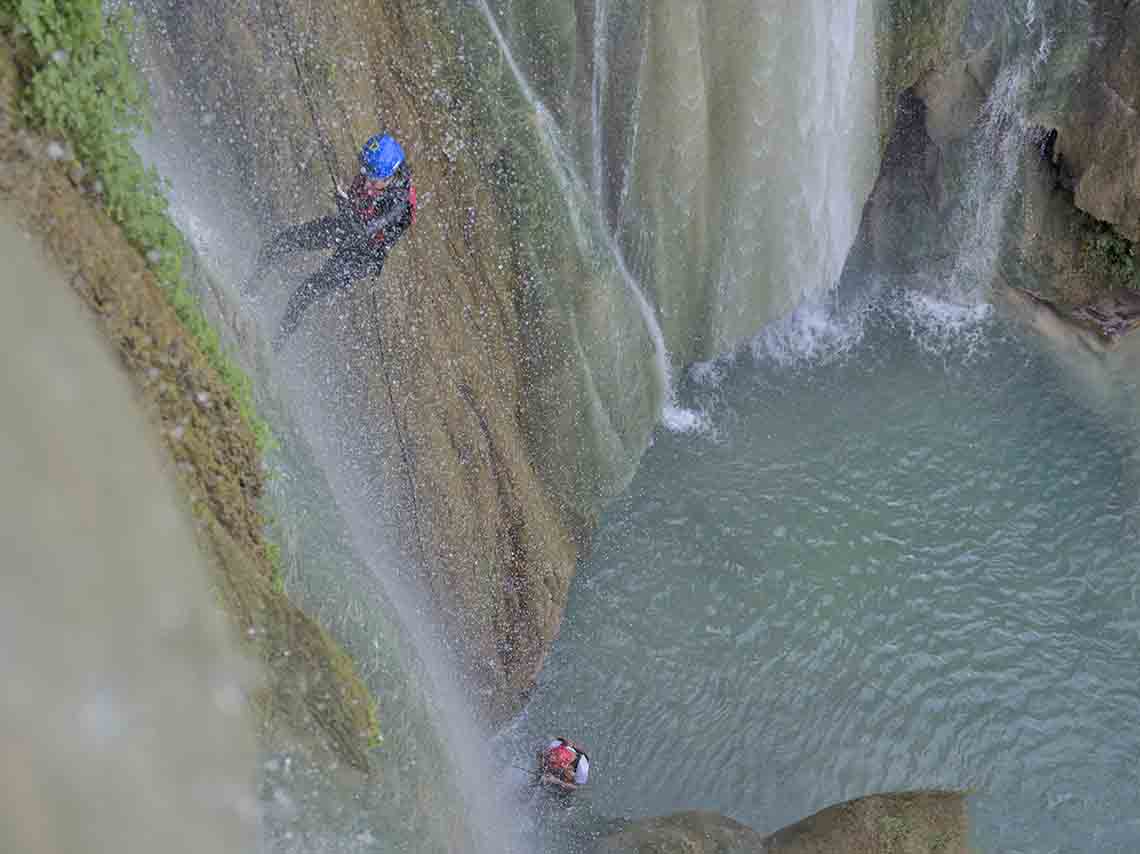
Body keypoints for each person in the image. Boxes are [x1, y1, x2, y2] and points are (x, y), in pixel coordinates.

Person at [248, 132, 417, 352]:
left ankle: (273, 348)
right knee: (282, 242)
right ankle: (249, 291)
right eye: (364, 172)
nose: (366, 181)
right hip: (347, 225)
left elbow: (365, 231)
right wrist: (347, 205)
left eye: (373, 179)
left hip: (362, 255)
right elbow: (357, 213)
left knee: (303, 294)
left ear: (390, 176)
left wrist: (346, 207)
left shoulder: (398, 204)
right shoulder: (377, 172)